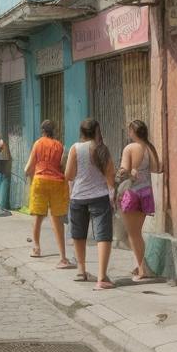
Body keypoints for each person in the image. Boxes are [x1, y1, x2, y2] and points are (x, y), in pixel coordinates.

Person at [65, 119, 116, 288]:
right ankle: (102, 277)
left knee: (79, 234)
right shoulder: (101, 149)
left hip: (78, 197)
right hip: (100, 196)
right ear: (96, 131)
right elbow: (110, 174)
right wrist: (112, 194)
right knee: (103, 235)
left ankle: (81, 271)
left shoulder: (75, 148)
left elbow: (69, 175)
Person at [117, 120, 162, 282]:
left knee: (133, 234)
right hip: (147, 192)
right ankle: (141, 265)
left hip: (132, 193)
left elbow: (124, 170)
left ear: (132, 132)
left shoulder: (130, 148)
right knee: (137, 233)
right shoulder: (150, 148)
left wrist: (120, 173)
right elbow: (157, 169)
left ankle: (143, 269)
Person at [25, 120, 72, 270]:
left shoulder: (38, 143)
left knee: (38, 216)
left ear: (42, 131)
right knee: (57, 219)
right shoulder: (59, 145)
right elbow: (63, 167)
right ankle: (63, 257)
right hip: (58, 183)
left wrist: (29, 175)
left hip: (40, 181)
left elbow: (28, 167)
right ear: (54, 131)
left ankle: (36, 248)